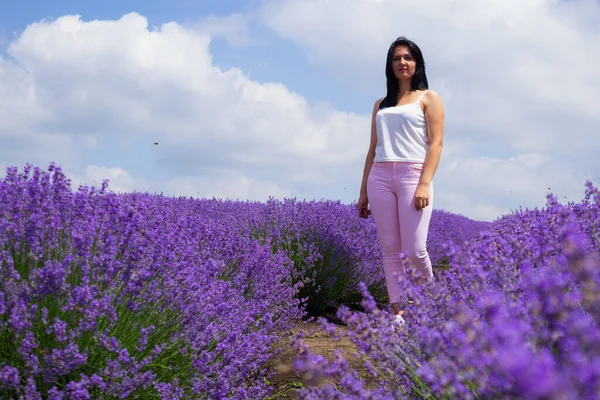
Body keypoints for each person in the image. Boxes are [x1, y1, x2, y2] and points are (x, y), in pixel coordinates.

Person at [357, 36, 444, 328]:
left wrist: (424, 183)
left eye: (407, 57)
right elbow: (372, 149)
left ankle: (430, 305)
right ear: (390, 65)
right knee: (390, 248)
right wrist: (362, 194)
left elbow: (436, 144)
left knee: (415, 247)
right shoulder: (380, 104)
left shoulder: (428, 98)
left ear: (416, 63)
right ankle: (400, 312)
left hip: (413, 175)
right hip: (380, 177)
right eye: (396, 58)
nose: (402, 63)